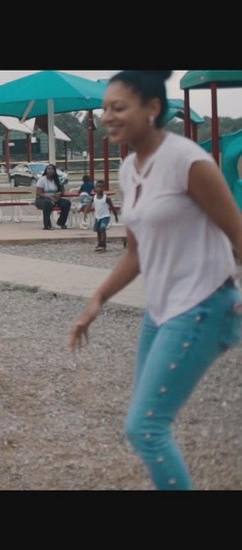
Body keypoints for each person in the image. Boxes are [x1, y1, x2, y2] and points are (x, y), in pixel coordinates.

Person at [69, 70, 242, 490]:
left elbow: (238, 235)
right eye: (105, 108)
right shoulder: (129, 169)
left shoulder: (189, 161)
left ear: (152, 108)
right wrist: (97, 300)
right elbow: (136, 253)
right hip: (161, 309)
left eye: (118, 107)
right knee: (148, 420)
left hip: (203, 305)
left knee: (145, 428)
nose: (108, 116)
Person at [82, 180, 119, 251]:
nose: (99, 188)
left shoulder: (106, 198)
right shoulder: (94, 198)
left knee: (102, 228)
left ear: (103, 188)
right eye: (98, 187)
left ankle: (103, 244)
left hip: (105, 216)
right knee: (98, 230)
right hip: (97, 217)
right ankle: (99, 243)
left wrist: (116, 216)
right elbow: (89, 206)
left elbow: (112, 207)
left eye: (101, 187)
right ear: (95, 188)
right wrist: (85, 213)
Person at [33, 163, 71, 230]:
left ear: (54, 171)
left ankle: (61, 222)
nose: (50, 170)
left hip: (55, 199)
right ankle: (47, 225)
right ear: (46, 170)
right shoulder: (42, 180)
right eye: (49, 169)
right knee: (47, 203)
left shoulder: (56, 179)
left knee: (67, 203)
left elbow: (62, 190)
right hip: (42, 199)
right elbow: (39, 193)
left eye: (52, 169)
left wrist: (59, 193)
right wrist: (50, 198)